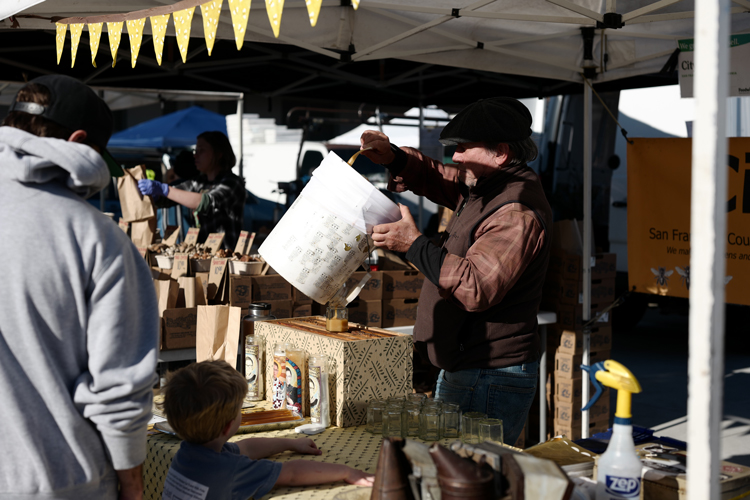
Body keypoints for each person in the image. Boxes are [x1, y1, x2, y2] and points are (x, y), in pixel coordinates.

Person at [0, 75, 159, 499]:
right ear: (78, 141)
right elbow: (120, 385)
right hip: (60, 478)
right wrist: (133, 484)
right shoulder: (94, 236)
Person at [360, 97, 552, 445]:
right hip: (471, 367)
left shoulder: (516, 211)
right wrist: (394, 157)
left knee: (469, 478)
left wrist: (414, 245)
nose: (456, 157)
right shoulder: (486, 184)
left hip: (490, 373)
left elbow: (476, 286)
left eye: (464, 148)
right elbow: (441, 176)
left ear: (501, 153)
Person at [161, 361, 373, 499]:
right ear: (228, 426)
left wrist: (290, 442)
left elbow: (245, 448)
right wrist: (347, 471)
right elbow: (291, 474)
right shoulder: (230, 470)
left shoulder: (187, 453)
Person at [138, 131, 246, 250]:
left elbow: (207, 202)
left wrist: (164, 189)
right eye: (195, 151)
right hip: (203, 256)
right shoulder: (198, 182)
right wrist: (157, 196)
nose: (195, 155)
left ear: (218, 153)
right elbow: (171, 197)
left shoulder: (232, 182)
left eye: (201, 150)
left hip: (226, 259)